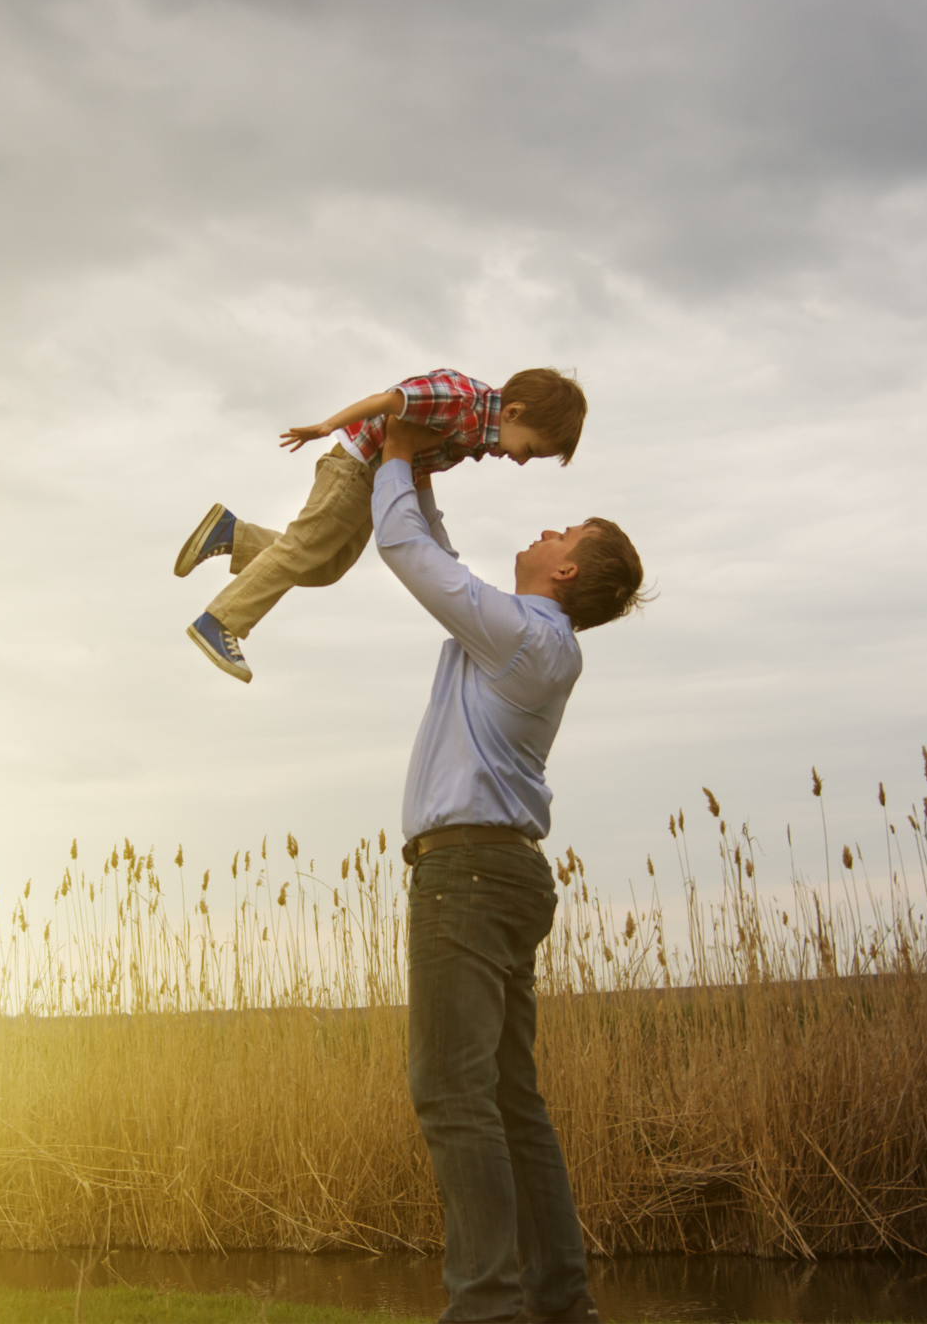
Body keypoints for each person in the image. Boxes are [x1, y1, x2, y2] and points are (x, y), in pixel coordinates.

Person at [373, 415, 645, 1324]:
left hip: (468, 877)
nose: (542, 531)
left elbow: (406, 550)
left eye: (560, 533)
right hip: (500, 874)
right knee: (505, 1097)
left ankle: (486, 1309)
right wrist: (423, 470)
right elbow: (441, 553)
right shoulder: (523, 634)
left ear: (566, 572)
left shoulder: (526, 639)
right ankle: (561, 1306)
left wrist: (398, 454)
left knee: (452, 1092)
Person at [174, 368, 588, 682]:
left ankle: (232, 534)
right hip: (355, 468)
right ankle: (221, 621)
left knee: (324, 566)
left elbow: (421, 467)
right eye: (530, 450)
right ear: (514, 413)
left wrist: (430, 533)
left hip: (373, 479)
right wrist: (328, 425)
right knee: (302, 549)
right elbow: (392, 401)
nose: (521, 460)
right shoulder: (461, 400)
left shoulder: (480, 434)